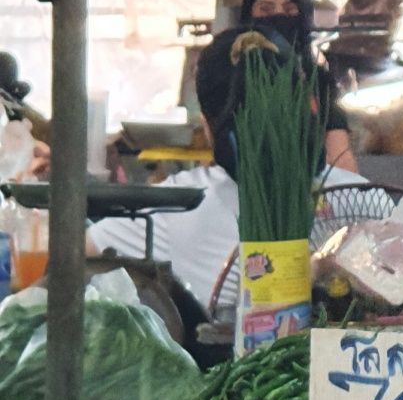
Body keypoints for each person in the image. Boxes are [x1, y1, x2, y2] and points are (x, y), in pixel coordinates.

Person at [88, 27, 366, 316]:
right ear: (307, 108)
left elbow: (80, 250)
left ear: (207, 125)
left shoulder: (180, 203)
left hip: (236, 355)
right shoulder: (362, 196)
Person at [240, 0, 358, 171]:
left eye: (290, 10)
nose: (279, 16)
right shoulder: (233, 79)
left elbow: (340, 157)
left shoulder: (317, 82)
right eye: (266, 9)